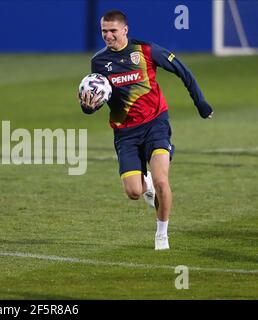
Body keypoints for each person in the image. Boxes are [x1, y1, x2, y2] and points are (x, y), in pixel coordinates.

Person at [79, 10, 213, 250]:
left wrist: (200, 103)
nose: (108, 36)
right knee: (134, 192)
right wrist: (88, 108)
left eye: (112, 31)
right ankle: (146, 184)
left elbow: (183, 70)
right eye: (104, 31)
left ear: (125, 30)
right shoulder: (98, 61)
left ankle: (162, 234)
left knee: (163, 180)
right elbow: (99, 97)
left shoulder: (145, 51)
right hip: (125, 132)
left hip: (155, 124)